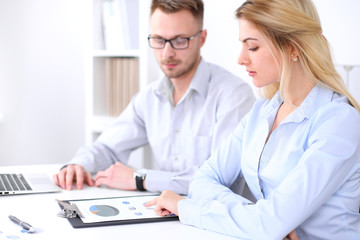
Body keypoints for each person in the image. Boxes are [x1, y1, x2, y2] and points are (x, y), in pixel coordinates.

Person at [145, 0, 360, 239]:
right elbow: (202, 181)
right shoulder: (261, 113)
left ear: (292, 47)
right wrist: (260, 216)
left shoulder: (338, 122)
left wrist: (186, 207)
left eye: (253, 47)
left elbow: (267, 225)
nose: (241, 59)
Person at [53, 0, 255, 195]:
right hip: (165, 215)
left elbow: (220, 181)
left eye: (179, 41)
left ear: (201, 39)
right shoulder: (149, 98)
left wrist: (141, 179)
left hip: (214, 221)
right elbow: (107, 148)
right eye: (158, 40)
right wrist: (78, 164)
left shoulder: (234, 96)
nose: (167, 52)